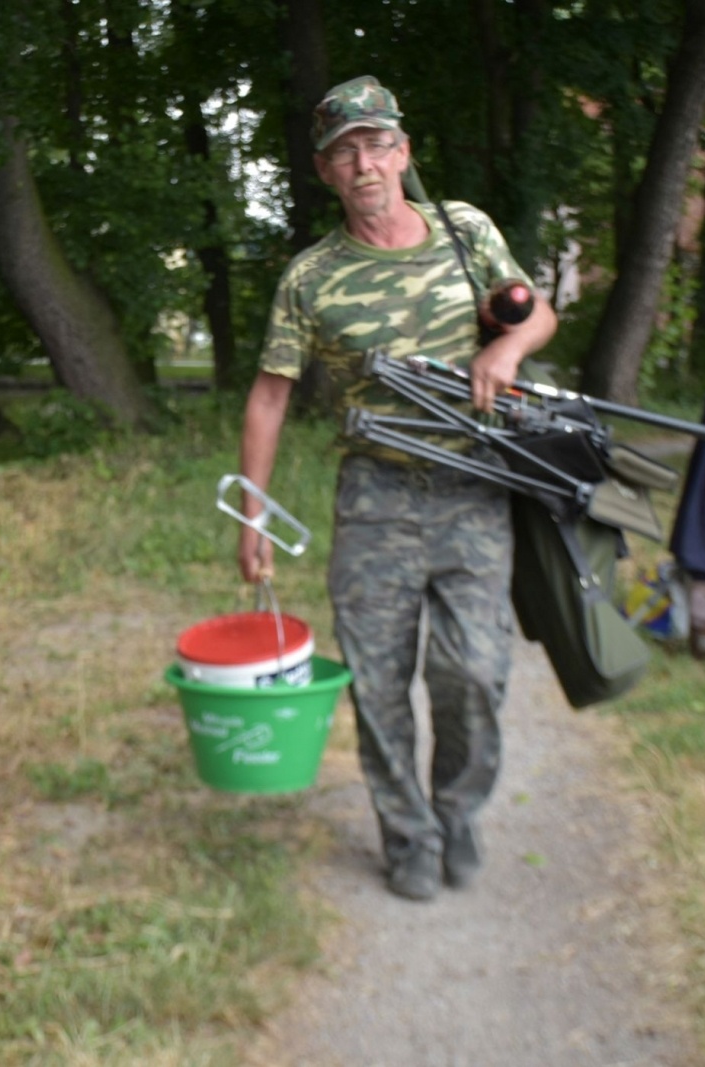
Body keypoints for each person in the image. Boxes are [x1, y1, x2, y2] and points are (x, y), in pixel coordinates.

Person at [237, 75, 557, 902]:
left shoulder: (464, 230)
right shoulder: (311, 277)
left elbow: (536, 310)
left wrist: (506, 353)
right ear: (326, 171)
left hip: (473, 486)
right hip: (374, 495)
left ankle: (457, 810)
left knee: (475, 672)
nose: (365, 162)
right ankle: (407, 834)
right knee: (378, 683)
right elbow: (270, 394)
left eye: (378, 144)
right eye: (346, 152)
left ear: (404, 153)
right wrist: (254, 516)